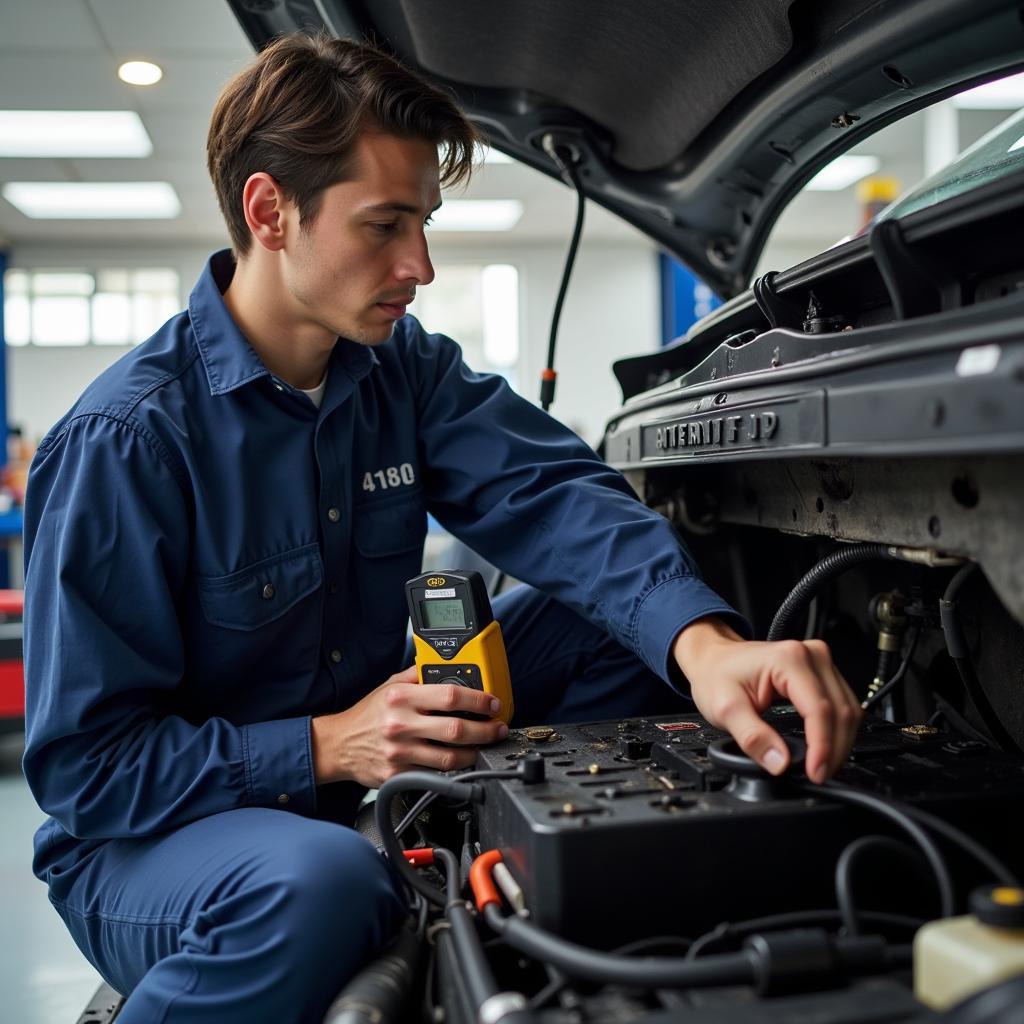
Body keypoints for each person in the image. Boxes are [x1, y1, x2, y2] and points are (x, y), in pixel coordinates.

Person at [22, 32, 861, 1024]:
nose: (417, 263)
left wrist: (706, 645)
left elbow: (555, 497)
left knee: (614, 622)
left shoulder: (400, 369)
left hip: (368, 768)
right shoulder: (127, 440)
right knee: (320, 884)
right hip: (156, 839)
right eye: (384, 225)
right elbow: (91, 772)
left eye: (422, 222)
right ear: (269, 210)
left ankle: (558, 901)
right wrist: (329, 746)